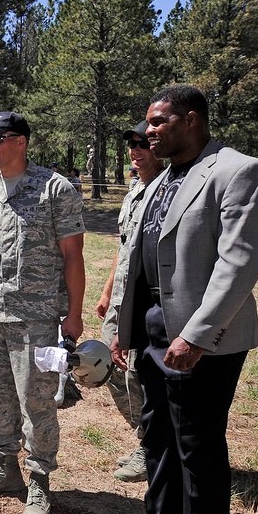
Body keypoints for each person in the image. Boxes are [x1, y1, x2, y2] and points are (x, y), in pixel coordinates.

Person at [103, 85, 258, 514]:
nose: (148, 131)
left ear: (192, 119)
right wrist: (124, 327)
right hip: (155, 324)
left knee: (197, 441)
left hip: (205, 335)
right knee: (156, 429)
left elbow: (238, 263)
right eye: (148, 123)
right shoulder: (163, 179)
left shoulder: (239, 171)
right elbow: (135, 256)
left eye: (158, 122)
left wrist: (196, 334)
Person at [0, 111, 85, 514]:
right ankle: (6, 469)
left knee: (38, 400)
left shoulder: (54, 189)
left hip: (40, 319)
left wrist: (75, 316)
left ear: (21, 141)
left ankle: (40, 480)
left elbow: (72, 255)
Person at [95, 122, 163, 483]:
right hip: (122, 297)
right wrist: (108, 292)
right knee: (111, 367)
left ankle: (151, 445)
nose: (136, 151)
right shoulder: (134, 188)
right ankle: (147, 435)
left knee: (140, 372)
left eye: (143, 144)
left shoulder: (168, 189)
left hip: (146, 300)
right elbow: (124, 249)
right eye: (132, 144)